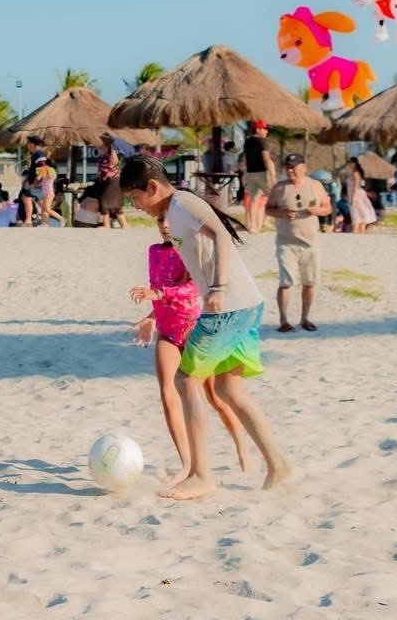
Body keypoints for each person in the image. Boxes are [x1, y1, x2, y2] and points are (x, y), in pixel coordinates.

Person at [120, 154, 293, 500]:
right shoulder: (176, 211)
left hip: (228, 308)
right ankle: (278, 464)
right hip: (246, 305)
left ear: (152, 187)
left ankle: (201, 475)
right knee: (230, 390)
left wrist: (218, 287)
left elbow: (222, 236)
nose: (136, 206)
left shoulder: (182, 204)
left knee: (186, 380)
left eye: (136, 198)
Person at [129, 217, 251, 487]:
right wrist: (151, 317)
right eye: (160, 221)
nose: (165, 226)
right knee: (167, 393)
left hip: (196, 331)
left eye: (170, 221)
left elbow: (192, 289)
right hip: (168, 332)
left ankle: (241, 444)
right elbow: (158, 288)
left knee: (216, 398)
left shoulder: (191, 251)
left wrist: (157, 294)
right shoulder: (154, 251)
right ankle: (187, 463)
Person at [266, 153, 332, 332]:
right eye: (288, 167)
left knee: (310, 282)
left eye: (294, 167)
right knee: (286, 282)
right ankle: (283, 321)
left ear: (304, 167)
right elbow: (268, 209)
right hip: (286, 243)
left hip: (310, 243)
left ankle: (305, 318)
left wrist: (317, 211)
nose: (290, 170)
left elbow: (328, 208)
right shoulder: (280, 187)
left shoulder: (315, 185)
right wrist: (282, 213)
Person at [240, 121, 276, 234]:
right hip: (262, 173)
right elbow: (266, 159)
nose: (266, 131)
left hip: (250, 173)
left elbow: (245, 159)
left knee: (254, 199)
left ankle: (252, 226)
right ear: (258, 129)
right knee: (274, 196)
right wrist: (273, 176)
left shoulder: (247, 142)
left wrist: (245, 173)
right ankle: (266, 220)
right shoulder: (262, 141)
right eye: (264, 129)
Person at [94, 133, 125, 229]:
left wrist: (112, 147)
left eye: (103, 145)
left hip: (113, 181)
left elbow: (114, 163)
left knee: (106, 203)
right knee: (114, 206)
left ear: (107, 146)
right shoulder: (104, 155)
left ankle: (107, 225)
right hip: (107, 182)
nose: (100, 146)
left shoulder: (112, 154)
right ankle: (122, 225)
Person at [347, 158, 377, 234]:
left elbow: (356, 187)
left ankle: (358, 233)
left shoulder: (355, 173)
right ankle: (360, 234)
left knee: (358, 216)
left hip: (356, 196)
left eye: (350, 162)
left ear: (354, 163)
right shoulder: (354, 173)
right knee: (359, 216)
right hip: (355, 195)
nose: (349, 164)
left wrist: (353, 199)